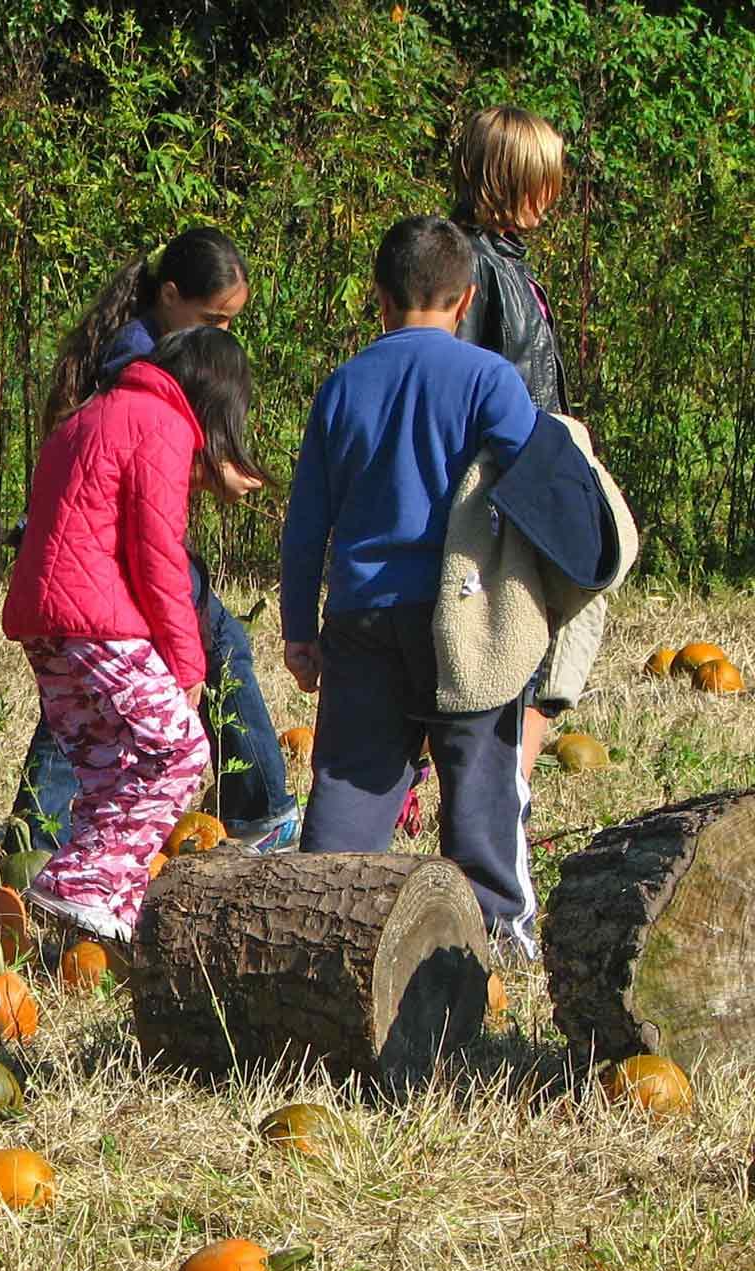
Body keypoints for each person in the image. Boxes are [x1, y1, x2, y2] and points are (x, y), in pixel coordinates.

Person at [280, 215, 542, 956]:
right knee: (479, 781)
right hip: (461, 618)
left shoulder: (343, 385)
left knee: (351, 788)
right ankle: (493, 937)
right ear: (465, 302)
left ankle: (322, 935)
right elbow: (536, 484)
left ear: (379, 298)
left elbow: (306, 525)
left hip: (362, 613)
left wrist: (300, 627)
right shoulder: (489, 378)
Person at [6, 228, 298, 856]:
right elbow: (147, 502)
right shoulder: (141, 366)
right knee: (171, 681)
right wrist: (209, 465)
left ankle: (44, 836)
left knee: (88, 700)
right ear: (171, 296)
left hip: (79, 568)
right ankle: (252, 813)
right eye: (214, 319)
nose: (221, 335)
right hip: (105, 561)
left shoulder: (143, 353)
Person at [2, 325, 267, 944]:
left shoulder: (93, 413)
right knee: (180, 750)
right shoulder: (163, 425)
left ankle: (110, 915)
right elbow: (159, 559)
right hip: (99, 620)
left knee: (108, 769)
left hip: (45, 623)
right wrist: (189, 665)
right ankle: (83, 884)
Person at [451, 105, 576, 779]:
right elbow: (466, 387)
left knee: (557, 629)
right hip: (506, 489)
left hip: (533, 478)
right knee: (522, 639)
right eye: (542, 181)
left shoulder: (508, 263)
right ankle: (502, 792)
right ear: (506, 180)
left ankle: (507, 789)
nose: (553, 197)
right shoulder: (471, 265)